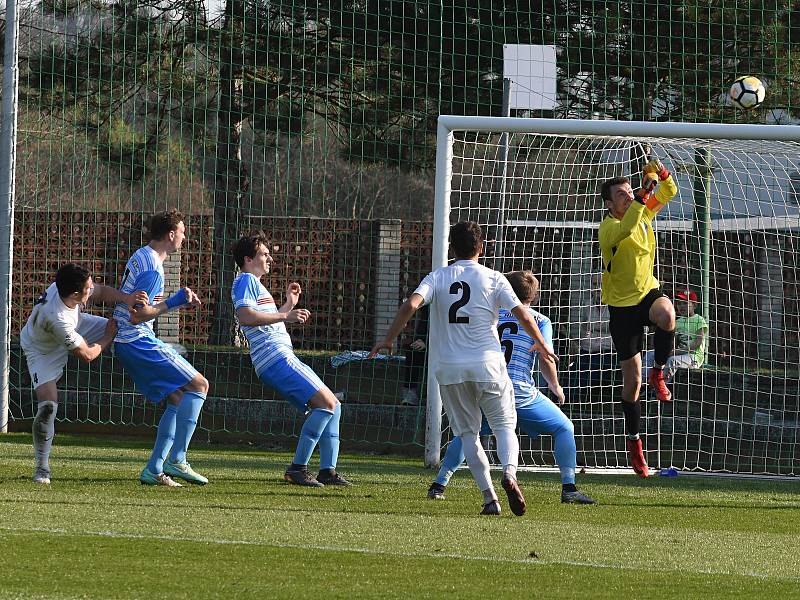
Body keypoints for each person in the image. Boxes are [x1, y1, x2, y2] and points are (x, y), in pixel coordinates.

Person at [370, 221, 558, 516]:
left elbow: (411, 305)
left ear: (451, 248)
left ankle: (490, 499)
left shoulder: (438, 276)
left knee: (469, 435)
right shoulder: (494, 278)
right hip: (489, 365)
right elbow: (522, 312)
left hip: (450, 369)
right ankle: (509, 473)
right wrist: (542, 344)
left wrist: (389, 339)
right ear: (481, 247)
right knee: (505, 427)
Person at [427, 271, 595, 505]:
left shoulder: (492, 314)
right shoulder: (540, 320)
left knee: (468, 434)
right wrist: (555, 385)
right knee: (564, 427)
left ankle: (439, 484)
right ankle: (569, 488)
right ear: (534, 298)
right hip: (520, 392)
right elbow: (545, 355)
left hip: (487, 382)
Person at [231, 232, 349, 487]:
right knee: (326, 404)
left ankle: (327, 471)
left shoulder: (254, 284)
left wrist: (287, 305)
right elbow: (246, 317)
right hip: (276, 359)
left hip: (279, 358)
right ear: (248, 259)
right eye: (264, 254)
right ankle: (297, 469)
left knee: (334, 407)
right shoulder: (245, 281)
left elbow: (264, 322)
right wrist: (286, 316)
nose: (269, 258)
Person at [20, 264, 147, 485]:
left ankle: (163, 354)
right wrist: (107, 336)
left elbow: (102, 292)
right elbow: (87, 355)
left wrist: (126, 298)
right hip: (41, 350)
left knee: (125, 329)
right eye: (88, 287)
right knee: (48, 405)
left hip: (77, 326)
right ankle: (42, 468)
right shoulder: (57, 318)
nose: (92, 288)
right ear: (76, 294)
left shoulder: (66, 290)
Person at [114, 209, 209, 487]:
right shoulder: (153, 267)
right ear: (170, 235)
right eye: (181, 231)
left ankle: (155, 469)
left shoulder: (142, 255)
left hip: (129, 341)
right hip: (136, 339)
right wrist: (175, 300)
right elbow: (137, 314)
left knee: (179, 399)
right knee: (200, 385)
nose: (184, 236)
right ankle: (177, 459)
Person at [598, 157, 678, 478]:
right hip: (621, 308)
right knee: (632, 384)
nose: (628, 195)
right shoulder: (609, 228)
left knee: (667, 313)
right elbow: (628, 225)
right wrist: (644, 193)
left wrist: (658, 171)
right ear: (609, 203)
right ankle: (635, 446)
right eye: (621, 193)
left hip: (647, 293)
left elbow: (669, 189)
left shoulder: (644, 209)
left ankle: (659, 371)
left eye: (629, 190)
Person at [643, 288, 708, 381]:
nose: (681, 306)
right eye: (679, 303)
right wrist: (668, 351)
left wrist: (676, 352)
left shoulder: (699, 320)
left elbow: (697, 343)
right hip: (677, 354)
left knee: (672, 361)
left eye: (685, 303)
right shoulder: (676, 322)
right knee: (650, 355)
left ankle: (660, 386)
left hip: (693, 357)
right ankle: (644, 383)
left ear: (694, 305)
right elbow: (673, 341)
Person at [401, 305, 429, 406]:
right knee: (412, 351)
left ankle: (432, 395)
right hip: (422, 338)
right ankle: (410, 394)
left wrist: (427, 342)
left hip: (441, 341)